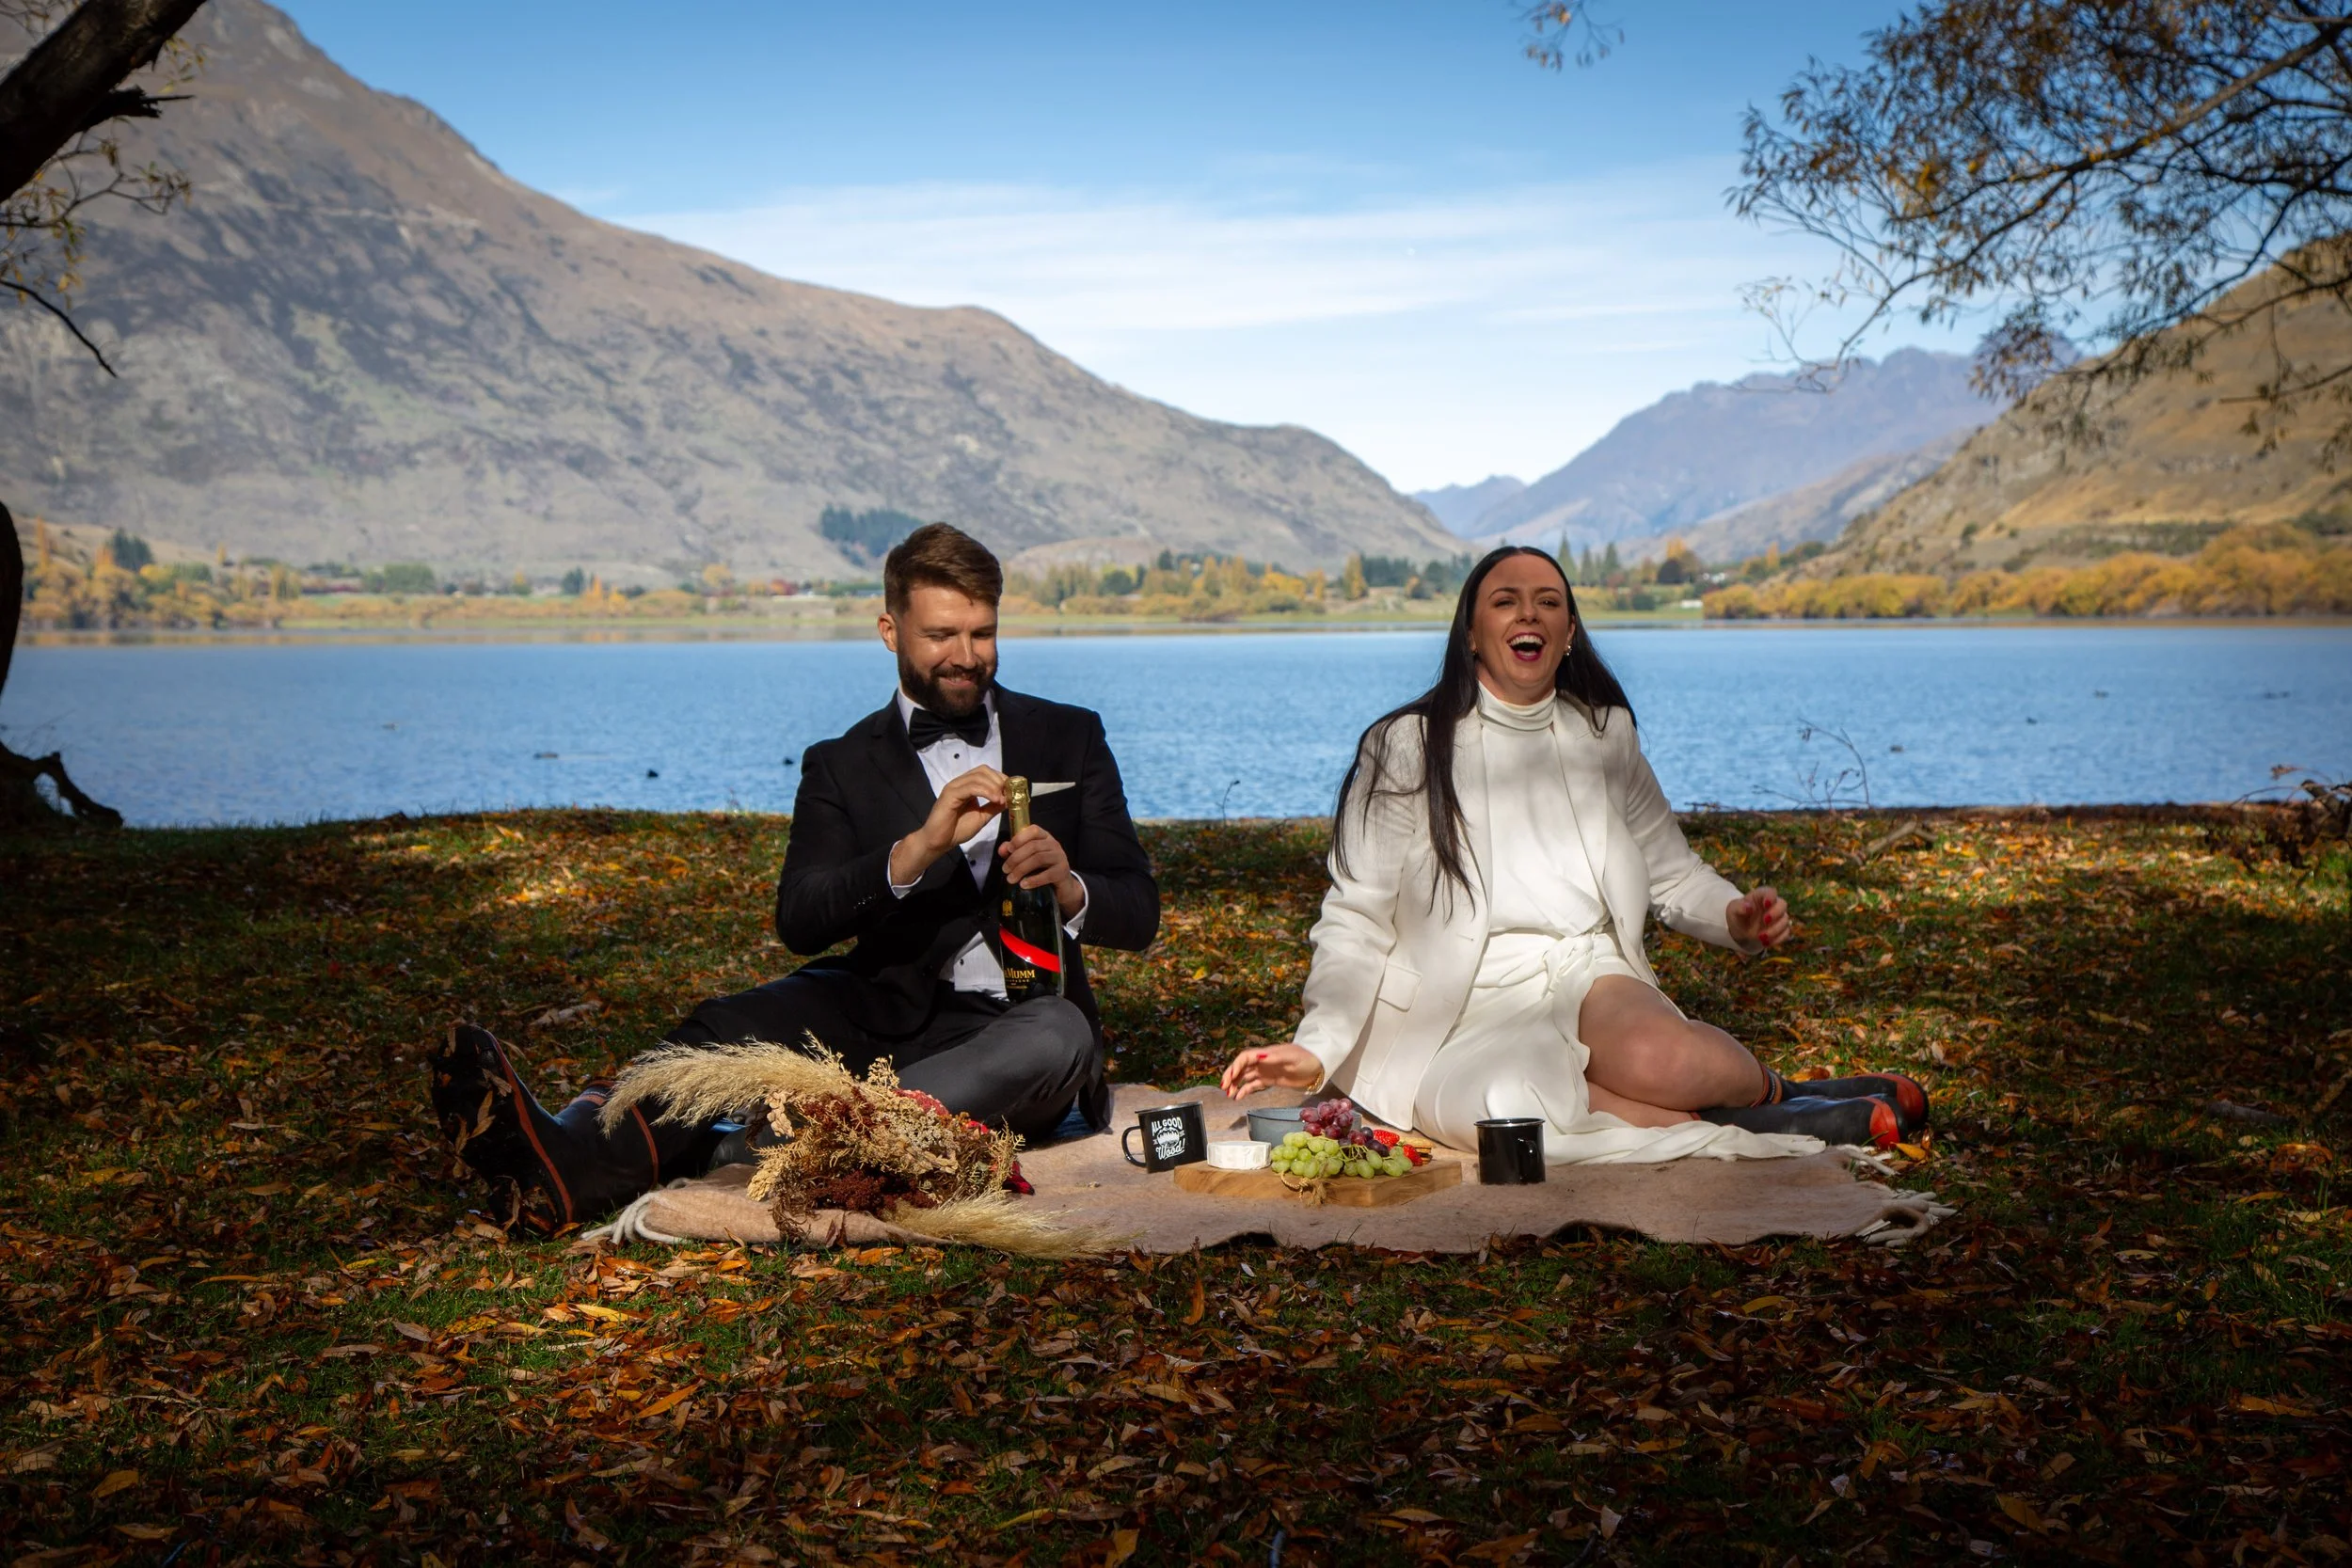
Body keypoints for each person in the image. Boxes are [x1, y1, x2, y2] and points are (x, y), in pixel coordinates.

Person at [431, 523, 1160, 1231]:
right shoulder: (838, 763)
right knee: (720, 1027)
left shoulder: (1073, 733)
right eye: (942, 635)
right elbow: (801, 918)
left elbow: (1139, 909)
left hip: (1018, 1030)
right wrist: (916, 849)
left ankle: (764, 1143)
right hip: (875, 1011)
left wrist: (1071, 887)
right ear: (889, 631)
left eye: (983, 632)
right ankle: (574, 1157)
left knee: (1061, 1034)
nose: (967, 656)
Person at [1219, 546, 1926, 1161]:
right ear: (1472, 632)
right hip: (1452, 1017)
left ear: (1567, 632)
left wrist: (1733, 915)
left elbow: (1671, 869)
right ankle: (1782, 1123)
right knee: (1513, 1115)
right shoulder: (1405, 744)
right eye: (1506, 601)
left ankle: (1781, 1092)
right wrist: (1319, 1044)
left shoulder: (1604, 734)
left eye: (1547, 602)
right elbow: (1356, 916)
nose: (1528, 614)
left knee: (1664, 1057)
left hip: (1585, 970)